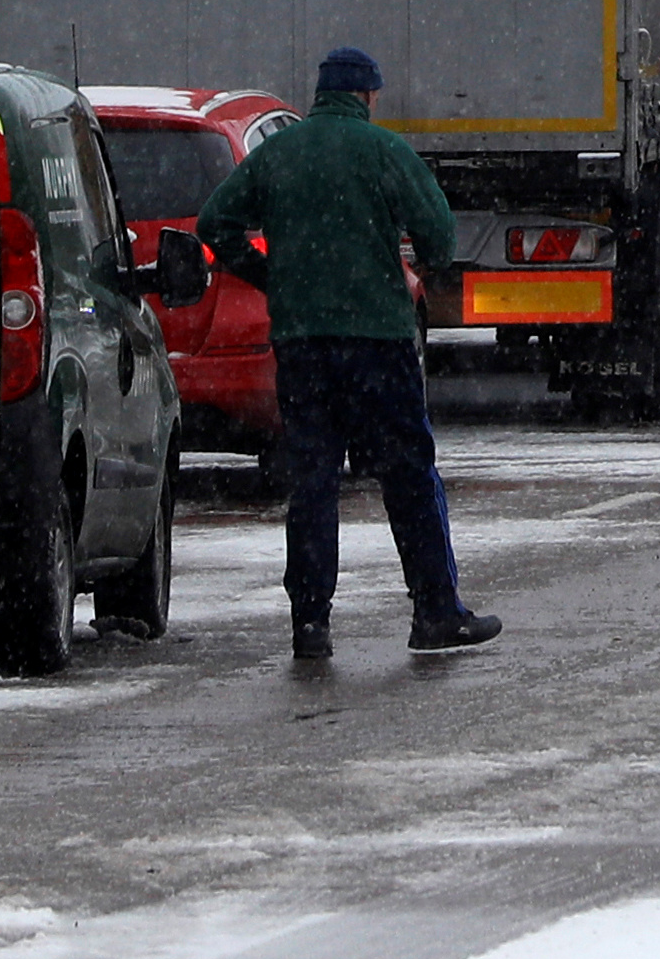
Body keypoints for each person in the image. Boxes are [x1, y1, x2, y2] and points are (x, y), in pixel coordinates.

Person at [196, 47, 499, 661]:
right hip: (378, 344)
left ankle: (310, 624)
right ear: (367, 96)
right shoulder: (384, 151)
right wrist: (412, 261)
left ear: (321, 96)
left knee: (313, 481)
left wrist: (270, 275)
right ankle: (435, 611)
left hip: (302, 346)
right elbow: (439, 236)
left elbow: (215, 223)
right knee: (408, 474)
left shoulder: (279, 153)